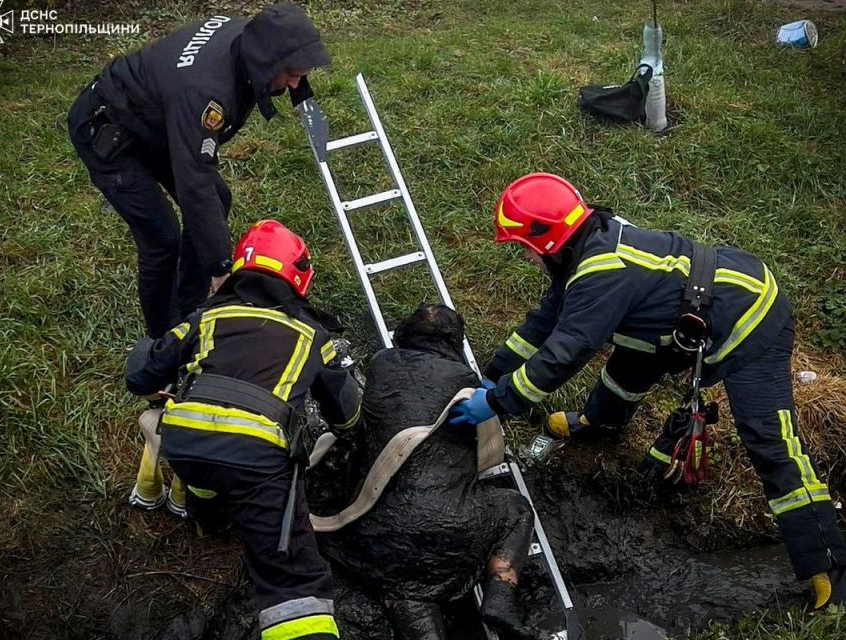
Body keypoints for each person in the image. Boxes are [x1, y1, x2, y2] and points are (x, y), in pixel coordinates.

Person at [449, 172, 846, 611]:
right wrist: (491, 375)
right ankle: (599, 424)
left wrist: (496, 401)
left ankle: (828, 571)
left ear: (548, 242)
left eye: (524, 248)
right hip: (682, 314)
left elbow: (564, 353)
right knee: (628, 363)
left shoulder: (601, 274)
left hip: (749, 317)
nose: (524, 257)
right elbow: (543, 324)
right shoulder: (588, 245)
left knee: (771, 441)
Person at [125, 220, 361, 640]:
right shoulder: (311, 334)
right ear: (299, 275)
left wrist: (152, 374)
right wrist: (352, 428)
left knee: (207, 474)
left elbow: (143, 371)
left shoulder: (208, 315)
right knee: (294, 581)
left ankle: (209, 518)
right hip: (256, 458)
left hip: (184, 443)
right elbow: (343, 410)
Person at [68, 3, 330, 339]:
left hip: (157, 122)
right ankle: (163, 340)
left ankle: (189, 306)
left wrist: (308, 106)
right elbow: (195, 181)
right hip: (109, 133)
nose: (296, 83)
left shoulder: (249, 42)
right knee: (162, 239)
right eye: (291, 73)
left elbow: (201, 184)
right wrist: (222, 267)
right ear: (267, 62)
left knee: (217, 202)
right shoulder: (205, 93)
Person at [312, 304, 537, 640]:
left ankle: (414, 606)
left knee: (404, 585)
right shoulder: (466, 382)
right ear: (455, 345)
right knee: (515, 509)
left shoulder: (380, 364)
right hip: (451, 528)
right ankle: (501, 596)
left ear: (403, 334)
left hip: (374, 529)